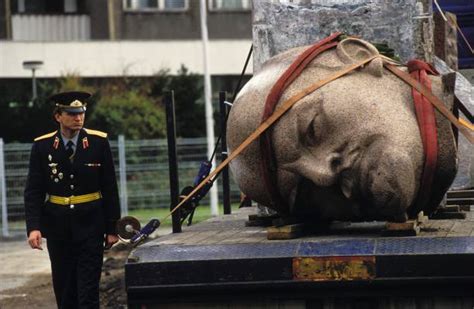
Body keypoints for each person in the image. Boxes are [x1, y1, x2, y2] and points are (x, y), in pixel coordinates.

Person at [24, 91, 121, 308]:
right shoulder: (43, 146)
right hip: (58, 228)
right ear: (58, 116)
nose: (78, 118)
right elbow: (34, 190)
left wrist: (113, 227)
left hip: (91, 226)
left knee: (87, 292)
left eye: (81, 113)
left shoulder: (98, 142)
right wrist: (34, 227)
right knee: (65, 290)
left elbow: (109, 186)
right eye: (72, 114)